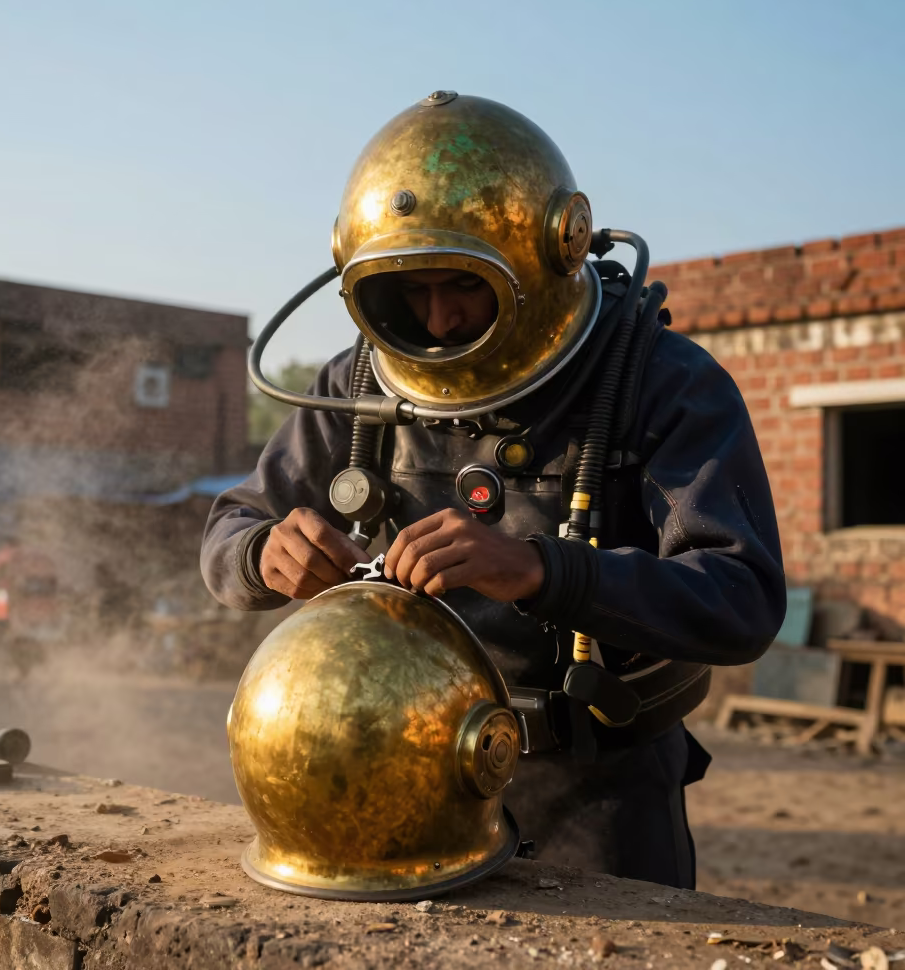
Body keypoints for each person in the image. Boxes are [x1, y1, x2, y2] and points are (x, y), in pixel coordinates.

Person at [201, 92, 785, 890]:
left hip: (599, 788)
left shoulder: (659, 382)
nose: (437, 321)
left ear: (551, 251)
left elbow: (741, 597)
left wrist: (546, 572)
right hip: (406, 782)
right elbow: (232, 524)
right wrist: (265, 552)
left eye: (461, 286)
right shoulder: (361, 384)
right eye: (409, 293)